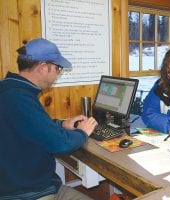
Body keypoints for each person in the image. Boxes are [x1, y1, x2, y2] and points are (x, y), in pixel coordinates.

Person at [0, 38, 98, 199]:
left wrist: (61, 124)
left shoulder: (10, 88)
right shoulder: (19, 98)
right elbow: (60, 144)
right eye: (58, 68)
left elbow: (30, 126)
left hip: (23, 183)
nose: (58, 73)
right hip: (27, 192)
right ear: (43, 67)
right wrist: (82, 132)